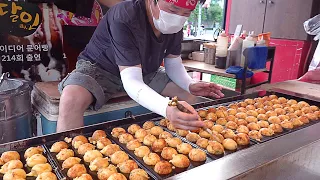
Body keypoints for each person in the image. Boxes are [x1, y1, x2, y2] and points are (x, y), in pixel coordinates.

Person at [57, 0, 224, 132]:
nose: (179, 17)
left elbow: (173, 63)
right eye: (173, 10)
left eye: (186, 13)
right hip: (100, 69)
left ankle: (189, 144)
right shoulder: (125, 15)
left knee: (187, 96)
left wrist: (190, 85)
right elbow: (131, 81)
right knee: (71, 99)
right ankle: (69, 156)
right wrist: (166, 108)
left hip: (144, 70)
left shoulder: (174, 25)